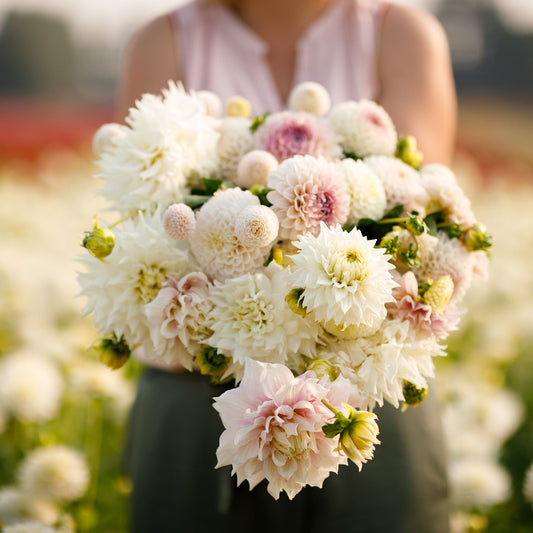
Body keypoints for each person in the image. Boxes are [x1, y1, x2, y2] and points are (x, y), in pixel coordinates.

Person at [118, 1, 457, 532]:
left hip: (367, 388)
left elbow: (414, 220)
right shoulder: (163, 41)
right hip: (193, 390)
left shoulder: (401, 34)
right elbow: (147, 214)